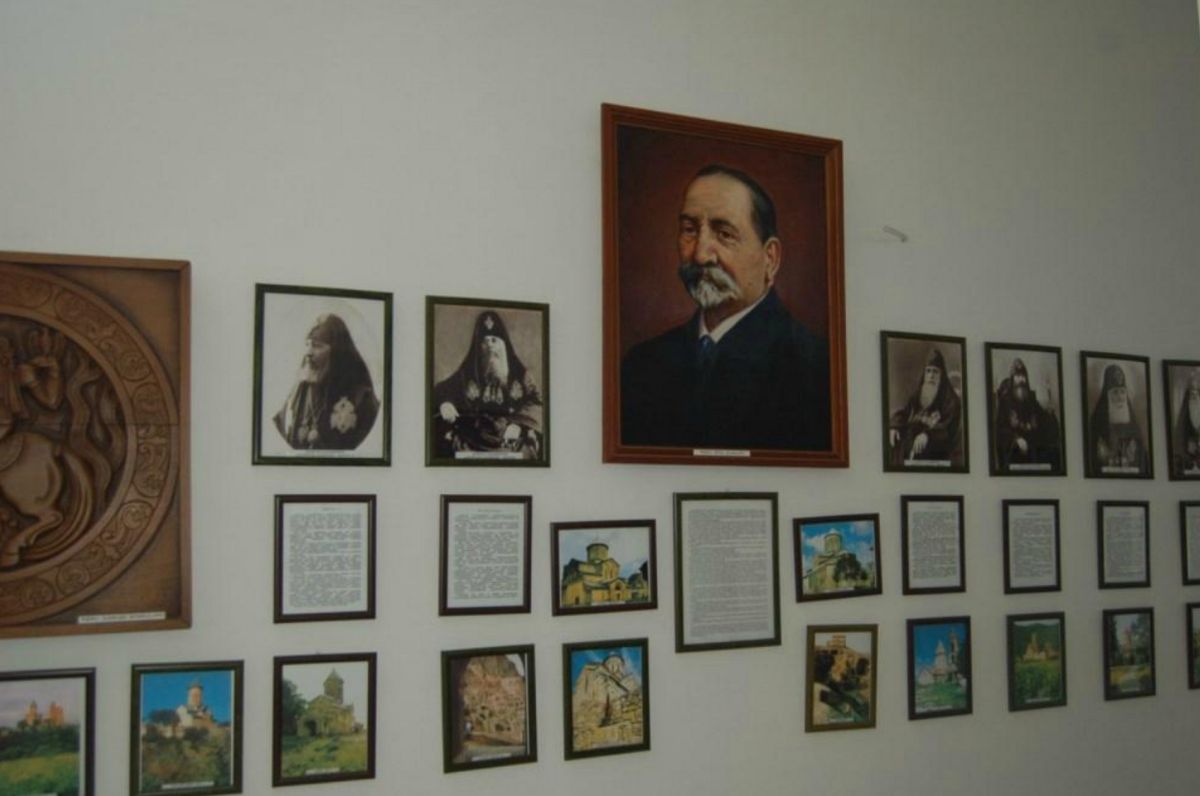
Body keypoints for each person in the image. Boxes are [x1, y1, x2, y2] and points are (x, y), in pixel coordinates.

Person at [619, 164, 830, 451]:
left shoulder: (816, 371)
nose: (700, 254)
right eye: (689, 230)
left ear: (770, 259)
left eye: (724, 234)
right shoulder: (642, 366)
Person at [432, 310, 543, 459]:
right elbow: (441, 391)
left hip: (511, 438)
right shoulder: (468, 372)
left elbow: (536, 403)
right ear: (478, 347)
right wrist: (445, 404)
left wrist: (519, 424)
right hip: (473, 439)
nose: (490, 345)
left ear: (504, 345)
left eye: (494, 340)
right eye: (485, 341)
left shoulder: (520, 374)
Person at [274, 314, 379, 450]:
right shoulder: (297, 393)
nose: (308, 353)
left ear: (336, 353)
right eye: (307, 344)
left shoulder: (361, 397)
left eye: (317, 346)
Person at [888, 347, 962, 466]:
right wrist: (894, 426)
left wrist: (928, 435)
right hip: (912, 447)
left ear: (942, 375)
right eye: (928, 371)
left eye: (935, 372)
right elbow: (905, 412)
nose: (931, 376)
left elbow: (948, 429)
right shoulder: (919, 395)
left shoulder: (951, 400)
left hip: (937, 453)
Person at [992, 357, 1060, 471]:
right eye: (1018, 376)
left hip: (1034, 453)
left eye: (1023, 376)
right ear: (1013, 378)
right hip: (1014, 453)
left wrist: (1050, 414)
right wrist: (1016, 439)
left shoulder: (1032, 400)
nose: (1021, 380)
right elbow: (1000, 430)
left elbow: (1043, 423)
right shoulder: (1005, 402)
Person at [1088, 363, 1147, 473]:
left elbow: (1142, 463)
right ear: (1107, 395)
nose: (1120, 397)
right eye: (1115, 392)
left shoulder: (1134, 427)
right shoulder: (1096, 424)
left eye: (1122, 392)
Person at [1171, 370, 1200, 476]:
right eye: (1192, 394)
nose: (1195, 396)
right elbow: (1179, 448)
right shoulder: (1183, 422)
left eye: (1198, 393)